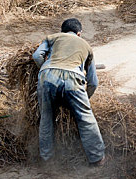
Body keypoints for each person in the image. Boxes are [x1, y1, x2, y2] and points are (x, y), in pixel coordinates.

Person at [33, 18, 105, 166]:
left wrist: (45, 67)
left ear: (62, 31)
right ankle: (97, 159)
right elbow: (93, 82)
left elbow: (36, 56)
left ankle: (47, 159)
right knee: (86, 120)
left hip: (47, 77)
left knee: (46, 118)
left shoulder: (52, 38)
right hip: (73, 79)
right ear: (79, 34)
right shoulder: (86, 46)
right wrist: (85, 100)